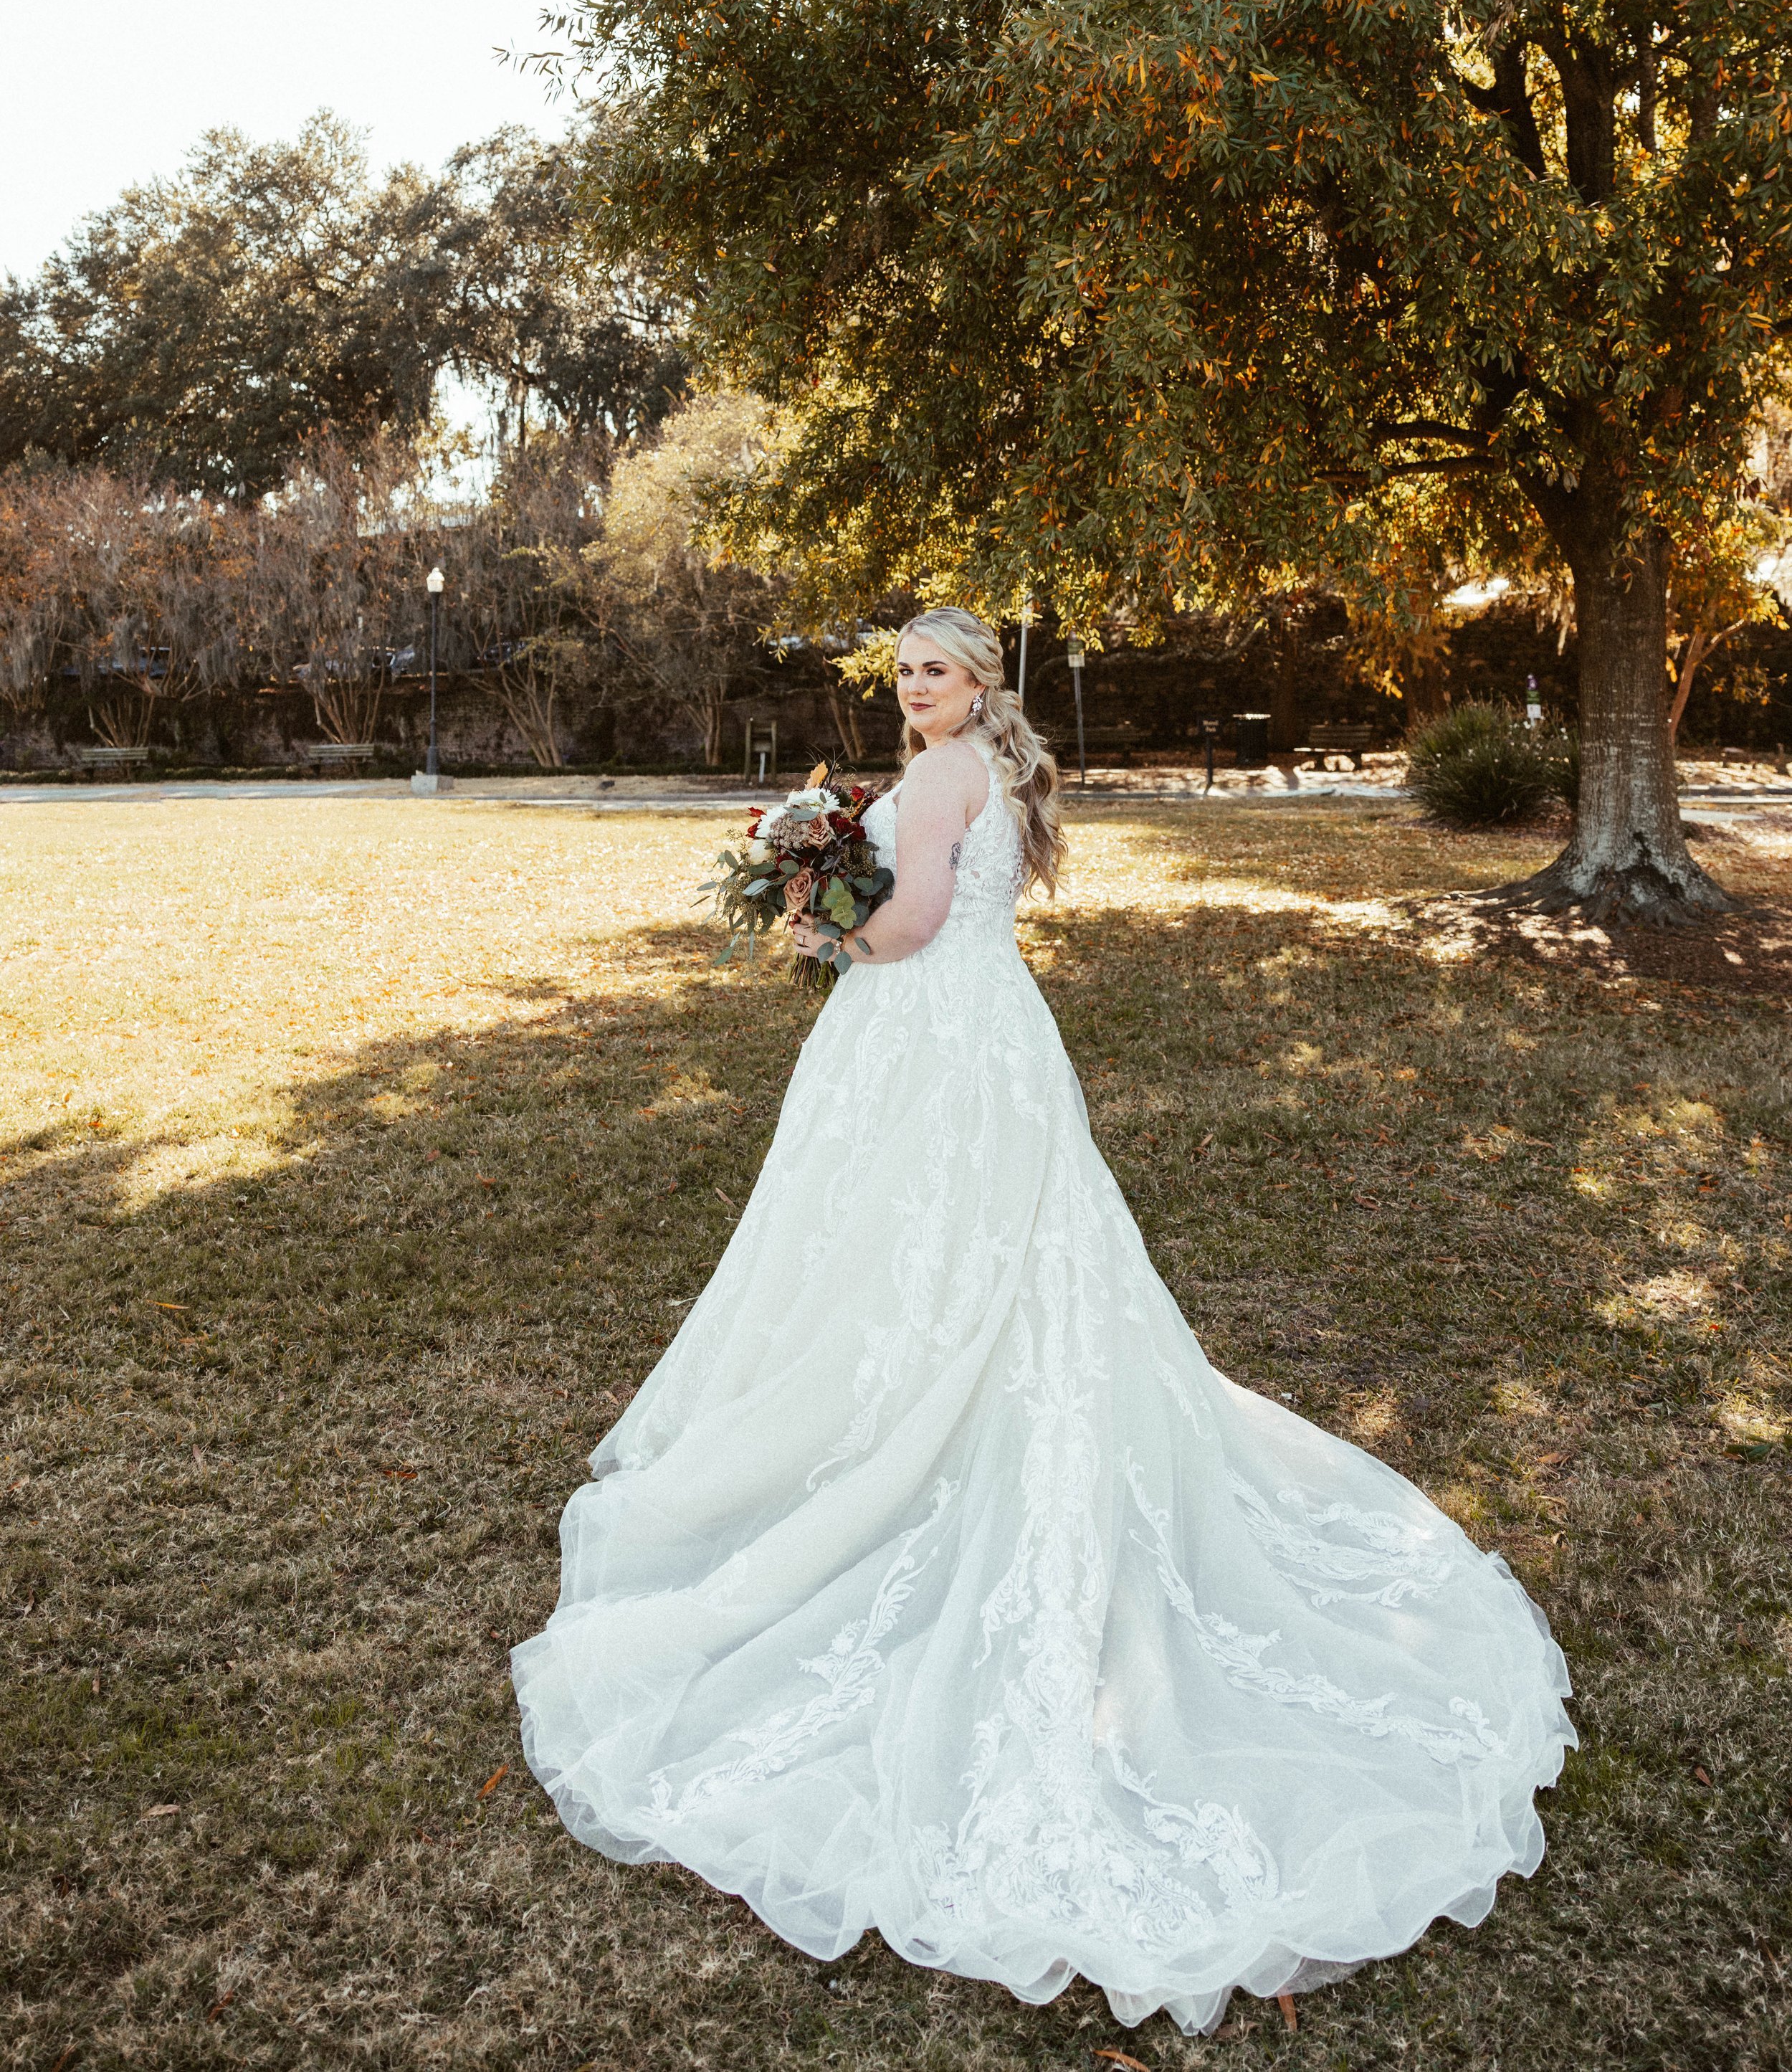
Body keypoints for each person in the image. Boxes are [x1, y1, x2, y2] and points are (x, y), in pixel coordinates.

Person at [512, 607, 1573, 2036]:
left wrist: (812, 906)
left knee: (927, 1264)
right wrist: (826, 862)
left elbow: (913, 924)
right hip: (985, 1039)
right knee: (988, 1264)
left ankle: (901, 1436)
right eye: (899, 672)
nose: (913, 688)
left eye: (933, 670)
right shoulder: (987, 772)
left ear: (977, 684)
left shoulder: (943, 779)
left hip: (933, 1042)